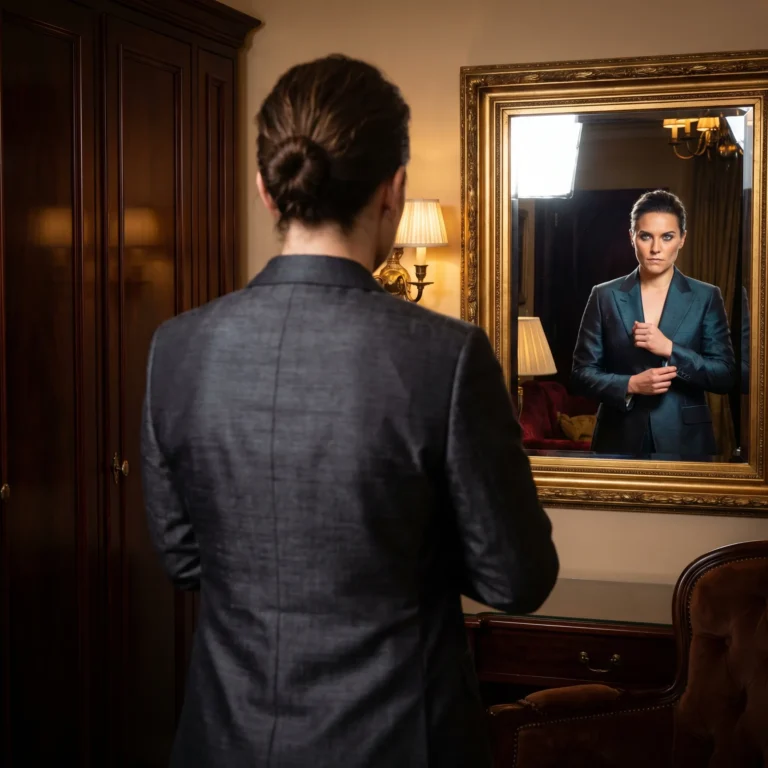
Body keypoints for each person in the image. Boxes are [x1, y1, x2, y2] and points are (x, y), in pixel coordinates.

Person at [141, 54, 558, 768]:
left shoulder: (176, 347)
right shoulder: (447, 356)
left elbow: (182, 558)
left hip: (225, 741)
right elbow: (515, 580)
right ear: (394, 189)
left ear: (266, 190)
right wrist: (406, 544)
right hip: (398, 742)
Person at [571, 189, 736, 457]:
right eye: (646, 236)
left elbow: (725, 376)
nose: (656, 248)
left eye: (667, 237)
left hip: (685, 440)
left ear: (682, 239)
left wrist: (670, 349)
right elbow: (581, 375)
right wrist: (631, 385)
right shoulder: (604, 295)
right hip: (618, 437)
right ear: (632, 237)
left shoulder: (706, 296)